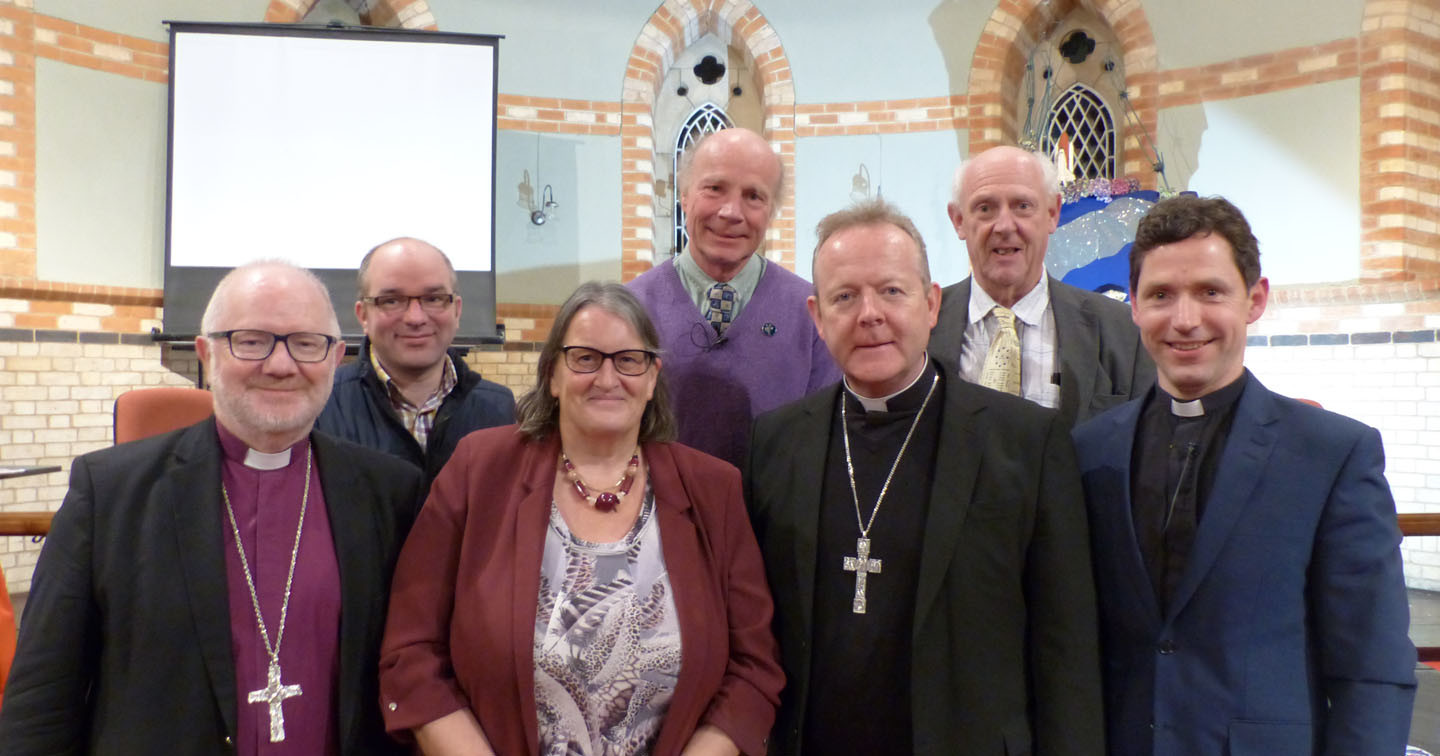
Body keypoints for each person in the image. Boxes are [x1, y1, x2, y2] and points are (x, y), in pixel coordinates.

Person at [0, 261, 425, 754]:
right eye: (250, 340)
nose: (281, 365)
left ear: (336, 359)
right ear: (206, 354)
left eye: (307, 343)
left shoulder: (390, 492)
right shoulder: (110, 492)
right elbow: (43, 697)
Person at [747, 199, 1103, 755]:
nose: (870, 314)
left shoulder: (1026, 442)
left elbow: (1067, 648)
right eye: (845, 297)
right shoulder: (774, 443)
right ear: (816, 317)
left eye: (892, 291)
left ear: (931, 303)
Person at [1072, 196, 1416, 755]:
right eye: (1161, 295)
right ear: (1133, 305)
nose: (1185, 320)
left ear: (1254, 300)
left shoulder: (1332, 454)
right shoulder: (1089, 449)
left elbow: (1371, 662)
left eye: (1211, 291)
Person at [378, 282, 783, 755]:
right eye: (585, 358)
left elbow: (754, 668)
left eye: (629, 359)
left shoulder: (713, 489)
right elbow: (412, 653)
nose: (607, 378)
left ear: (653, 378)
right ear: (552, 374)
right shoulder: (479, 471)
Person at [629, 127, 838, 467]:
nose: (731, 212)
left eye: (754, 196)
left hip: (774, 516)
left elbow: (827, 442)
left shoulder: (813, 315)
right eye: (714, 188)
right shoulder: (629, 310)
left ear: (771, 212)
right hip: (660, 512)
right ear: (683, 196)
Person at [931, 145, 1154, 427]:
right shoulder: (921, 327)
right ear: (959, 220)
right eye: (985, 208)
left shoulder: (1122, 332)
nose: (1004, 226)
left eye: (1022, 206)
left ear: (1052, 213)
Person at [317, 237, 515, 482]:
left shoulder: (501, 410)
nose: (415, 318)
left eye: (433, 299)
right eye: (391, 301)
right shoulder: (321, 406)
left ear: (457, 311)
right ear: (363, 315)